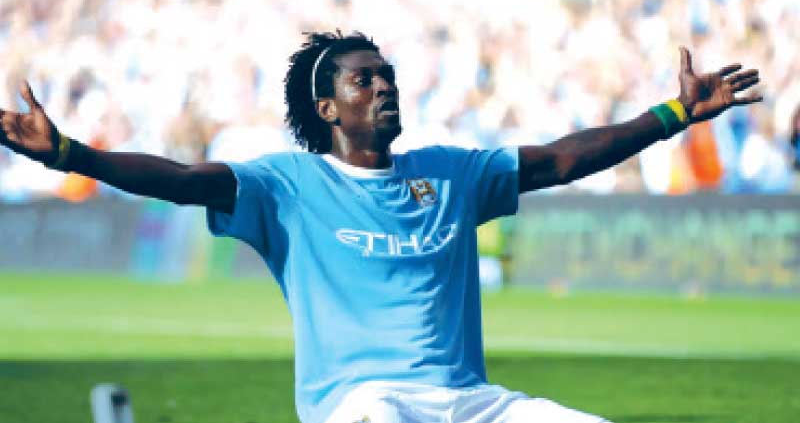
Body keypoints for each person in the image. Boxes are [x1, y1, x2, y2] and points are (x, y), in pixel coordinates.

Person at [0, 31, 761, 423]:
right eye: (363, 79)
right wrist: (68, 154)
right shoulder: (287, 186)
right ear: (328, 107)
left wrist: (673, 114)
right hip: (362, 403)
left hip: (470, 401)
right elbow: (177, 179)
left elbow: (561, 160)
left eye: (387, 75)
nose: (383, 85)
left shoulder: (453, 172)